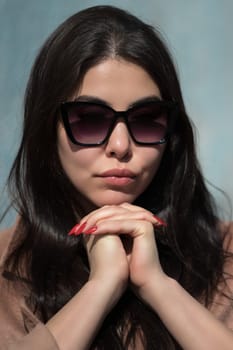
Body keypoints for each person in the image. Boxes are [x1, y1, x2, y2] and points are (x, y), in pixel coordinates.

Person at [0, 5, 232, 350]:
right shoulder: (6, 265)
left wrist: (159, 286)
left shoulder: (224, 253)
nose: (121, 146)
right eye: (89, 119)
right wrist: (101, 288)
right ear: (47, 131)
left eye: (147, 119)